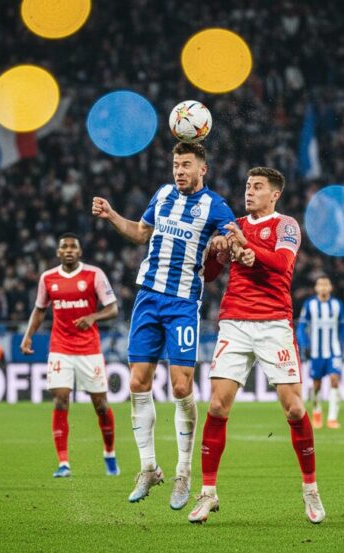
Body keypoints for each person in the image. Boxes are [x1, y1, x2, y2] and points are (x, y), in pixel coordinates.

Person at [92, 141, 234, 509]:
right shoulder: (163, 195)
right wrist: (111, 215)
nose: (179, 171)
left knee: (180, 383)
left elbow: (235, 236)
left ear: (203, 169)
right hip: (148, 298)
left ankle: (183, 472)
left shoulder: (215, 205)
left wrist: (224, 239)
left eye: (186, 165)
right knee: (138, 381)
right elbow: (141, 233)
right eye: (175, 164)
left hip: (183, 302)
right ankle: (149, 468)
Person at [189, 167, 325, 524]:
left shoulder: (287, 226)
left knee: (294, 409)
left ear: (274, 194)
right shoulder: (233, 224)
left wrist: (248, 248)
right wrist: (217, 253)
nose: (249, 192)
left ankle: (310, 490)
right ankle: (207, 494)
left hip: (274, 323)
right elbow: (211, 274)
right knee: (217, 405)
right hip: (234, 321)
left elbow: (281, 265)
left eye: (258, 187)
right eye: (247, 186)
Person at [20, 233, 120, 477]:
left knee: (100, 405)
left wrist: (93, 317)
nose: (68, 250)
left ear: (80, 251)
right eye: (63, 246)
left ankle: (109, 453)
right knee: (61, 399)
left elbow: (113, 308)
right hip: (60, 348)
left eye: (72, 246)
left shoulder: (94, 275)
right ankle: (63, 463)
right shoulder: (48, 278)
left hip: (89, 350)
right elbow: (40, 310)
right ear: (58, 252)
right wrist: (28, 335)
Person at [297, 276, 344, 429]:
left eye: (326, 284)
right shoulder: (310, 304)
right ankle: (317, 413)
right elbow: (301, 327)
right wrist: (305, 345)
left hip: (334, 351)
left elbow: (343, 328)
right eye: (320, 284)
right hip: (315, 352)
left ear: (330, 287)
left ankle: (332, 418)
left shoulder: (337, 305)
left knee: (335, 380)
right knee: (316, 385)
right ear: (316, 288)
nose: (323, 287)